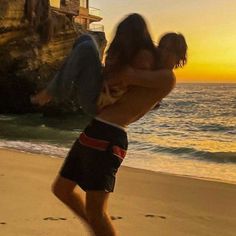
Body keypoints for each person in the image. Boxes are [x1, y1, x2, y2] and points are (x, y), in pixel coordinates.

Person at [34, 14, 187, 236]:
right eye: (161, 47)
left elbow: (125, 75)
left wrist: (128, 59)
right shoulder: (152, 68)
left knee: (97, 211)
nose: (163, 53)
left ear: (180, 57)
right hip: (97, 129)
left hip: (109, 138)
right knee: (62, 190)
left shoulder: (166, 78)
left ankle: (99, 229)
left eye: (170, 50)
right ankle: (97, 230)